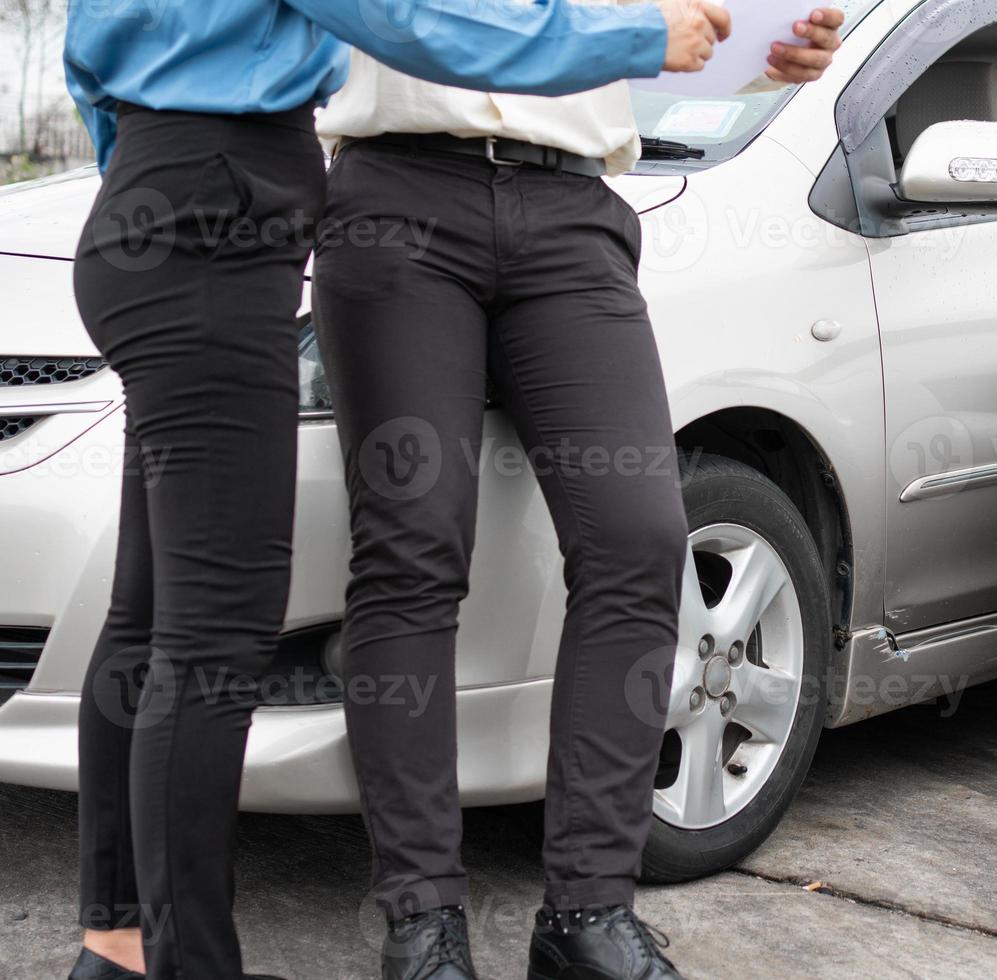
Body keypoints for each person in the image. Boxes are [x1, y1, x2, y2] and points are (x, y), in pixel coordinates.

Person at [63, 2, 728, 978]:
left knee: (156, 610)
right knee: (214, 631)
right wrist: (634, 41)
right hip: (253, 211)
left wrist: (154, 168)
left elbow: (96, 73)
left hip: (176, 199)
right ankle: (251, 948)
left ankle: (117, 946)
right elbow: (406, 17)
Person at [309, 9, 846, 979]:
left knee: (641, 539)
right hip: (401, 195)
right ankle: (422, 920)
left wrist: (766, 62)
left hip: (572, 208)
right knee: (413, 548)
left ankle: (587, 911)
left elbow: (671, 32)